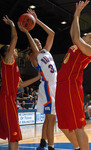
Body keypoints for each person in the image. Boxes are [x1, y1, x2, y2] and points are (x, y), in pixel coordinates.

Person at [55, 1, 91, 150]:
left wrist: (77, 13)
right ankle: (78, 148)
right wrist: (76, 14)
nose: (83, 35)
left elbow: (76, 37)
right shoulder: (78, 45)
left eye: (87, 35)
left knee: (77, 126)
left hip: (72, 87)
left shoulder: (89, 51)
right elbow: (73, 35)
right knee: (63, 125)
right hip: (62, 86)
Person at [18, 9, 57, 150]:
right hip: (47, 87)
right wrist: (27, 32)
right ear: (31, 47)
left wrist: (37, 20)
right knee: (51, 119)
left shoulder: (45, 52)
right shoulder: (34, 57)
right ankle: (50, 147)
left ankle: (42, 143)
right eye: (36, 43)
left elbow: (52, 34)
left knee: (48, 119)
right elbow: (34, 49)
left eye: (39, 42)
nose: (39, 44)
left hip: (54, 86)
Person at [0, 15, 41, 150]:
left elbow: (22, 85)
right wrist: (13, 25)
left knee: (15, 134)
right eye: (10, 48)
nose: (15, 49)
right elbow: (15, 38)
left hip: (11, 100)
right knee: (14, 134)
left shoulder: (14, 68)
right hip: (6, 99)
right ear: (7, 53)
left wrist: (38, 77)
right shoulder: (7, 61)